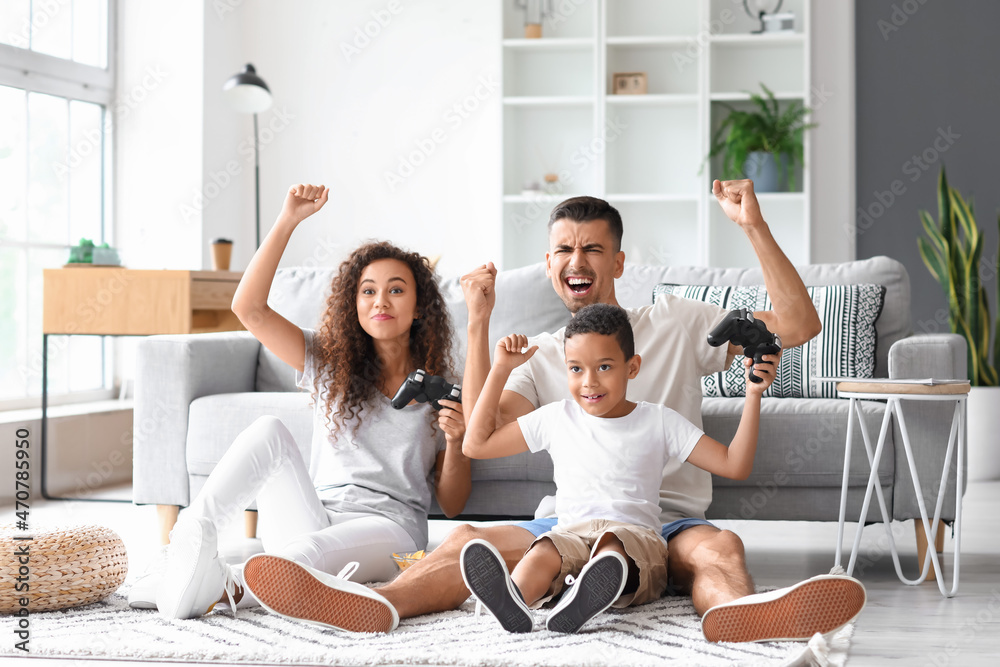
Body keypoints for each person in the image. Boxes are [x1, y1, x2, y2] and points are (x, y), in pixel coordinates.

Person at [304, 180, 866, 643]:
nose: (578, 261)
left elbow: (797, 327)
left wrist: (752, 226)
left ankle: (741, 617)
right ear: (550, 264)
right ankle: (379, 605)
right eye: (565, 251)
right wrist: (479, 322)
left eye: (593, 249)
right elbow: (482, 428)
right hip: (572, 520)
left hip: (667, 520)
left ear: (618, 261)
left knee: (721, 548)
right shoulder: (544, 355)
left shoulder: (674, 321)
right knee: (466, 541)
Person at [129, 184, 471, 633]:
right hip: (313, 510)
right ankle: (189, 544)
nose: (380, 302)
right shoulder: (331, 360)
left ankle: (224, 586)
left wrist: (457, 439)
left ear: (420, 306)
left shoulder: (441, 388)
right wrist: (287, 219)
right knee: (270, 429)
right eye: (367, 291)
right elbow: (248, 309)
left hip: (389, 527)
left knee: (306, 555)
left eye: (395, 290)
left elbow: (452, 502)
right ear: (354, 303)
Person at [459, 303, 776, 634]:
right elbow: (475, 446)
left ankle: (586, 592)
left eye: (604, 367)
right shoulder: (556, 417)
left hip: (636, 539)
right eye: (576, 369)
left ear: (633, 367)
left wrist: (753, 395)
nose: (589, 382)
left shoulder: (658, 420)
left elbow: (734, 465)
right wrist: (500, 370)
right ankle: (514, 599)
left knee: (612, 546)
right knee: (545, 549)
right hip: (571, 533)